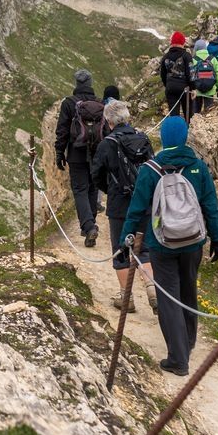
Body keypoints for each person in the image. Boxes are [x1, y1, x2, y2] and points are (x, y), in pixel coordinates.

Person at [118, 116, 218, 376]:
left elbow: (137, 209)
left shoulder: (150, 169)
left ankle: (178, 359)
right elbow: (210, 205)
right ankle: (187, 343)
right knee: (189, 292)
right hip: (193, 242)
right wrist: (217, 239)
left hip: (162, 243)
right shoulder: (198, 167)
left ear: (163, 138)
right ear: (185, 137)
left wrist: (125, 239)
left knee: (168, 298)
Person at [90, 101, 156, 312]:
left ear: (108, 121)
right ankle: (152, 288)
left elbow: (96, 176)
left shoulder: (106, 144)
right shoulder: (143, 138)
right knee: (143, 248)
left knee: (121, 250)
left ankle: (126, 298)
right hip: (143, 201)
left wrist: (111, 190)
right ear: (127, 118)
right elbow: (153, 167)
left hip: (119, 203)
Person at [55, 69, 103, 247]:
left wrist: (59, 153)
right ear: (90, 83)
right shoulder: (99, 103)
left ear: (76, 84)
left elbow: (62, 131)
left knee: (80, 189)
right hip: (97, 153)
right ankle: (89, 224)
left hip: (76, 153)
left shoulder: (68, 103)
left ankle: (89, 226)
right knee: (92, 188)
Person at [159, 31, 192, 119]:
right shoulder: (186, 55)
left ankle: (175, 131)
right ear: (183, 42)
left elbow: (162, 74)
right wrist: (193, 88)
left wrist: (168, 85)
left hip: (170, 88)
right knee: (188, 112)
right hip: (185, 88)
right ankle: (188, 129)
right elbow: (191, 74)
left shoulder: (165, 57)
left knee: (173, 114)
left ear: (172, 43)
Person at [190, 39, 218, 115]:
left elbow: (190, 75)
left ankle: (196, 124)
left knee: (195, 113)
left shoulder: (193, 60)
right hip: (210, 89)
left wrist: (191, 87)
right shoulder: (212, 59)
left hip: (196, 91)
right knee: (209, 112)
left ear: (196, 48)